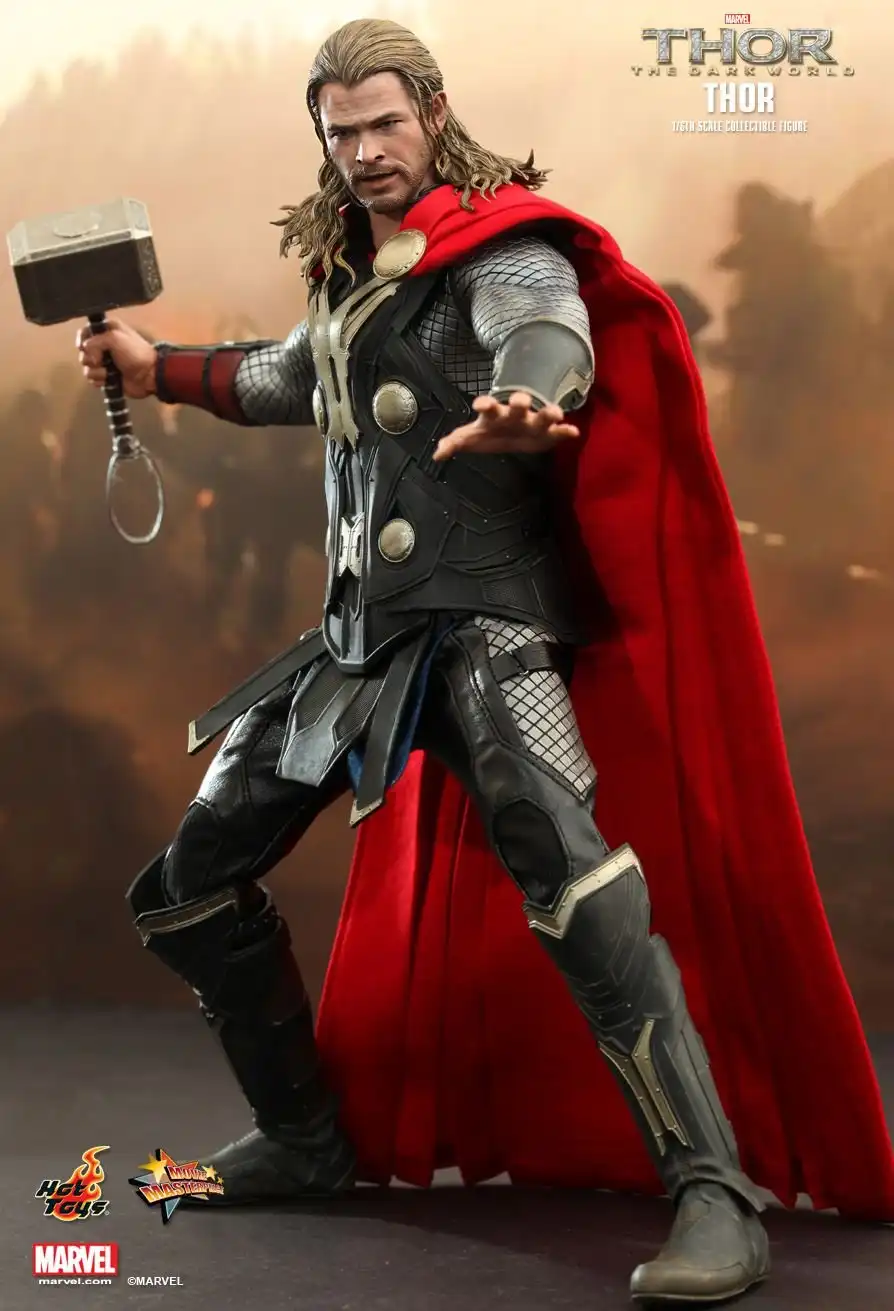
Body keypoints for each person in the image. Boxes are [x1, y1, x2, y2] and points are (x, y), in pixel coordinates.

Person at [77, 18, 894, 1305]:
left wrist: (532, 396)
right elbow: (296, 376)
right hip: (361, 644)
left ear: (435, 114)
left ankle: (714, 1192)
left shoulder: (499, 245)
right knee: (190, 879)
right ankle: (304, 1136)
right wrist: (159, 368)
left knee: (580, 890)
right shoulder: (359, 273)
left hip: (487, 636)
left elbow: (545, 328)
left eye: (384, 124)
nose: (364, 150)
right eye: (341, 131)